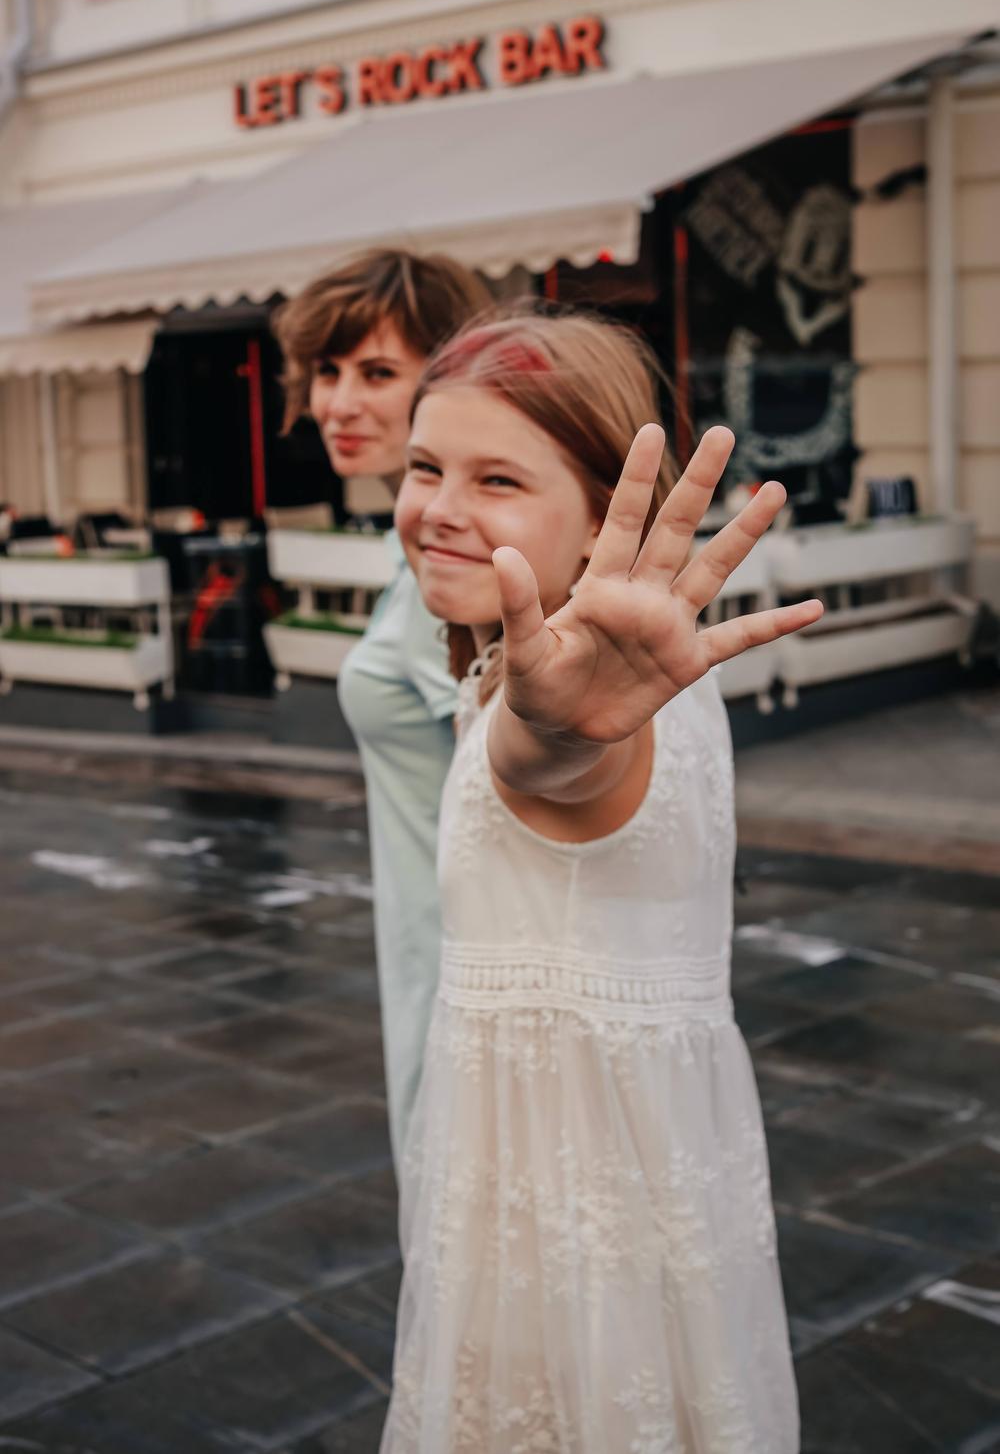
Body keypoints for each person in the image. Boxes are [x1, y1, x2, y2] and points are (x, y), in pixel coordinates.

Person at [380, 311, 822, 1452]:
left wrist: (549, 722)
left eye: (499, 480)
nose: (438, 507)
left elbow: (561, 763)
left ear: (598, 522)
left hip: (563, 1248)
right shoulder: (617, 675)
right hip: (642, 1195)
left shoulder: (587, 704)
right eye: (425, 466)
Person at [273, 250, 490, 1169]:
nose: (338, 402)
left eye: (376, 373)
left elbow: (511, 780)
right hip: (424, 943)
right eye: (328, 371)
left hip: (459, 956)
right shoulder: (422, 554)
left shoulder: (452, 569)